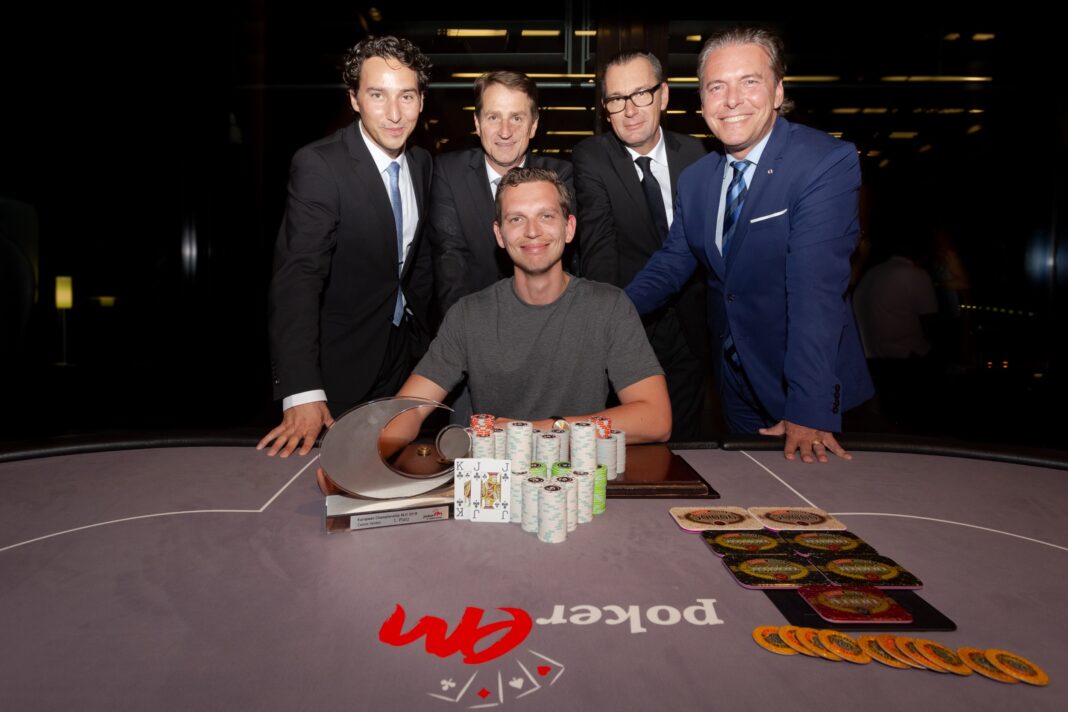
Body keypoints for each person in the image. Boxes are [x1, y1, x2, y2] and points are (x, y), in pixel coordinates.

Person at [625, 27, 872, 463]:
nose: (732, 100)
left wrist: (808, 409)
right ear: (702, 102)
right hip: (734, 382)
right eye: (716, 87)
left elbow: (816, 293)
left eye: (749, 82)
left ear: (778, 92)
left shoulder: (823, 163)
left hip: (805, 391)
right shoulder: (697, 180)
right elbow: (672, 263)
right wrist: (605, 311)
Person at [397, 167, 671, 441]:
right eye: (516, 219)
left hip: (582, 467)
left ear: (569, 228)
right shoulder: (469, 315)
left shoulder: (609, 307)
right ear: (500, 235)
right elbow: (407, 410)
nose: (532, 231)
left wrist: (539, 430)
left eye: (546, 216)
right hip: (497, 469)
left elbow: (656, 419)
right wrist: (383, 443)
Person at [259, 36, 434, 457]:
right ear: (354, 99)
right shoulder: (320, 164)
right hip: (341, 368)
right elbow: (298, 277)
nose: (394, 113)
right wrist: (302, 389)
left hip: (405, 362)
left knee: (394, 476)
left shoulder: (421, 163)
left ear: (421, 101)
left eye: (406, 96)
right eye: (377, 95)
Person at [572, 50, 708, 440]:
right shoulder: (592, 158)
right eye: (617, 99)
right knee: (625, 444)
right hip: (629, 324)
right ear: (606, 109)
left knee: (686, 440)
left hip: (691, 324)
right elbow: (598, 250)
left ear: (663, 95)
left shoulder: (696, 154)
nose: (629, 110)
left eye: (641, 94)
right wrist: (609, 326)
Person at [428, 71, 574, 318]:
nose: (505, 132)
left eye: (516, 118)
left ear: (533, 125)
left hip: (548, 319)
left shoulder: (561, 176)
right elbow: (450, 262)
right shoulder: (448, 173)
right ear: (477, 123)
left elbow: (565, 261)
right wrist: (462, 332)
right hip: (472, 319)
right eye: (493, 117)